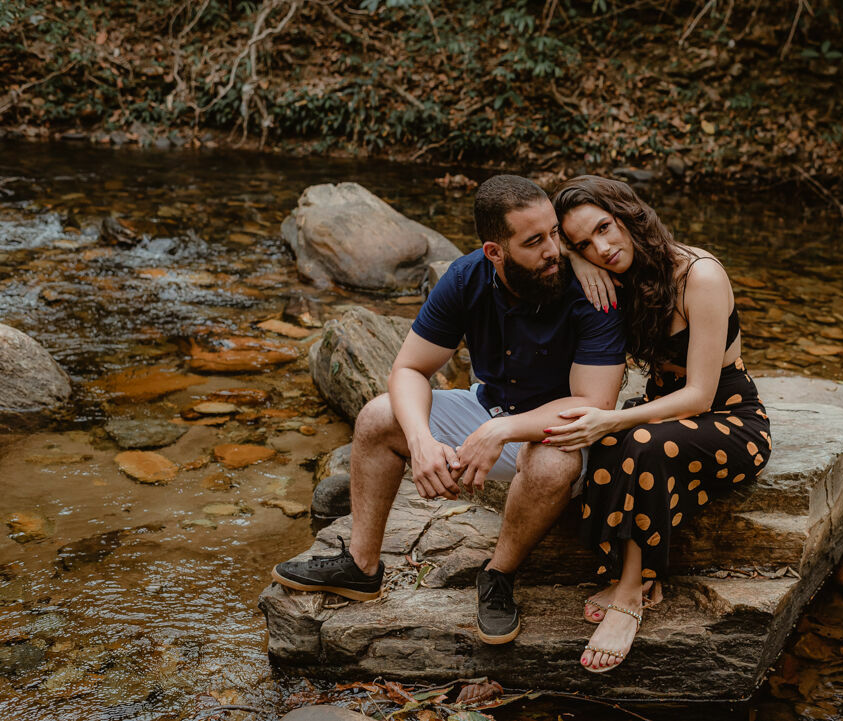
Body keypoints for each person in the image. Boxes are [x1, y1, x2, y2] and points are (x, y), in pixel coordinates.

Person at [271, 175, 626, 645]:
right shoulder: (466, 278)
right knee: (379, 417)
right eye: (534, 241)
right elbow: (409, 369)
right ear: (494, 252)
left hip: (565, 434)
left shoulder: (591, 291)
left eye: (555, 234)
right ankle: (361, 566)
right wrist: (421, 442)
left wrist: (501, 430)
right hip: (490, 408)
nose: (554, 250)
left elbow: (592, 404)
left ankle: (497, 576)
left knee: (551, 460)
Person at [545, 175, 772, 673]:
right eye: (584, 243)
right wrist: (576, 260)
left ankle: (629, 592)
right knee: (613, 444)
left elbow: (699, 396)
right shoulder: (617, 275)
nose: (602, 248)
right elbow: (546, 246)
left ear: (629, 214)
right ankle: (642, 573)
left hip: (730, 420)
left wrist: (612, 418)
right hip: (665, 414)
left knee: (639, 441)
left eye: (605, 228)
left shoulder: (700, 275)